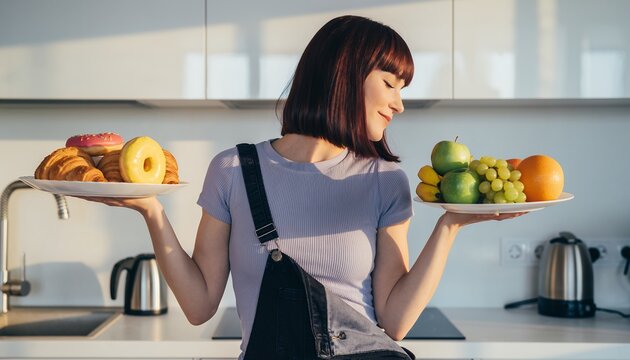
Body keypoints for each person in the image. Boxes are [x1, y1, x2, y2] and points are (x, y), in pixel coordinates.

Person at [84, 15, 523, 359]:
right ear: (344, 74)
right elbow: (199, 307)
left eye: (402, 89)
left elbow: (395, 321)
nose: (399, 103)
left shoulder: (384, 180)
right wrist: (152, 213)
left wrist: (450, 227)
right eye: (389, 83)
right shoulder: (234, 169)